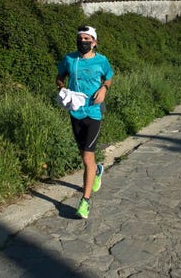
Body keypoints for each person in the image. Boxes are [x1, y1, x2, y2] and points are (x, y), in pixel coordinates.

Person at [56, 25, 114, 219]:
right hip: (75, 112)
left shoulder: (101, 61)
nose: (83, 42)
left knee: (88, 157)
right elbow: (59, 76)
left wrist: (104, 88)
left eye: (87, 39)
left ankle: (85, 201)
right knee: (84, 157)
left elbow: (109, 77)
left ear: (95, 42)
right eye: (80, 39)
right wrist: (62, 89)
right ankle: (97, 170)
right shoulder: (70, 59)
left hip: (94, 112)